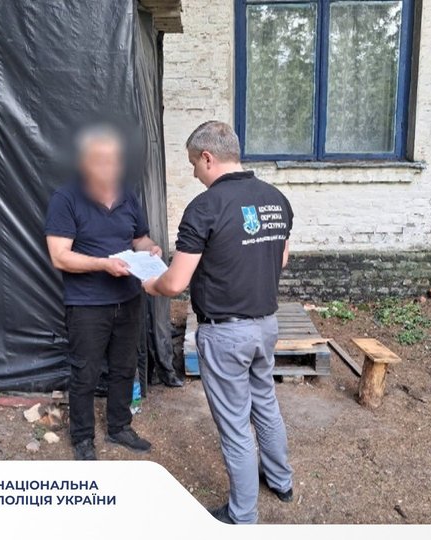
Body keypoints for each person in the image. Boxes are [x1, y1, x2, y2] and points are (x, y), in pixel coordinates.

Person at [143, 121, 294, 524]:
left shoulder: (205, 207)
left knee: (235, 425)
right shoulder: (276, 199)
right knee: (265, 403)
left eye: (194, 163)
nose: (194, 172)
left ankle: (242, 516)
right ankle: (281, 481)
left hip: (226, 333)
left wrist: (149, 283)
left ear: (208, 157)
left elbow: (175, 282)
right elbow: (280, 259)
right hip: (266, 324)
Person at [45, 125, 162, 460]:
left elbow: (139, 238)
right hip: (87, 304)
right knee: (85, 372)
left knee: (125, 367)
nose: (108, 168)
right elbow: (59, 256)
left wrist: (150, 248)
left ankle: (119, 427)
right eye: (100, 161)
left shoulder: (127, 195)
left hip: (128, 298)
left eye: (113, 160)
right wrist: (103, 264)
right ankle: (83, 438)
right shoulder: (66, 199)